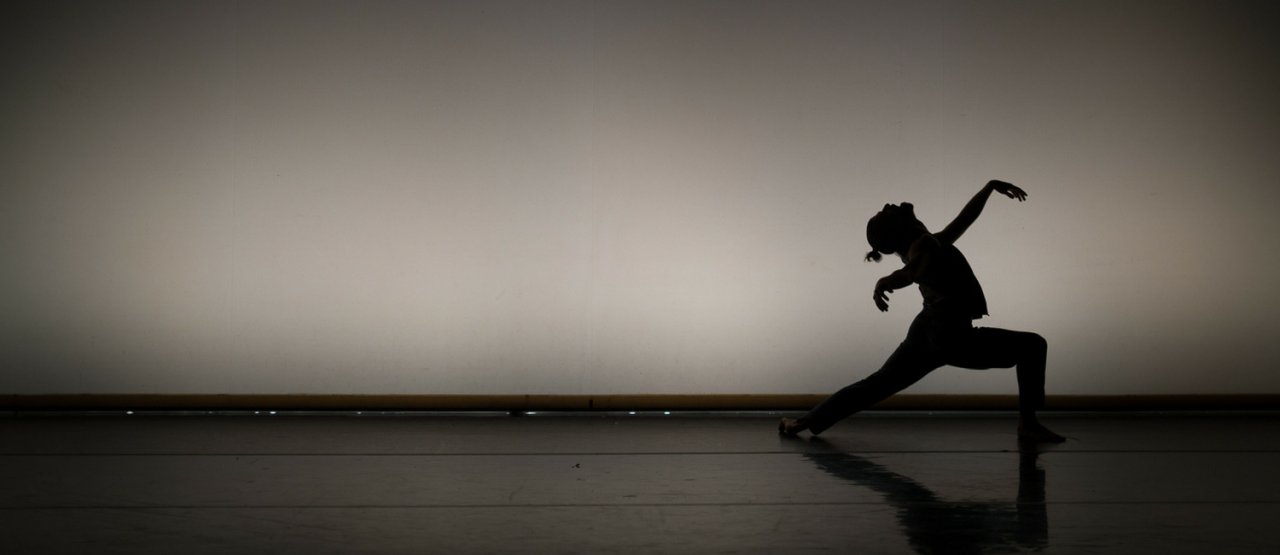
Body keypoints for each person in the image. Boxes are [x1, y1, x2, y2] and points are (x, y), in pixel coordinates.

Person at [779, 180, 1065, 442]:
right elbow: (910, 273)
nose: (890, 205)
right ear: (897, 229)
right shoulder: (925, 245)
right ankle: (1027, 423)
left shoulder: (932, 241)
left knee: (876, 384)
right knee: (1033, 346)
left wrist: (990, 188)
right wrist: (886, 281)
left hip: (928, 327)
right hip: (950, 334)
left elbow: (965, 219)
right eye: (885, 212)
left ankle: (802, 423)